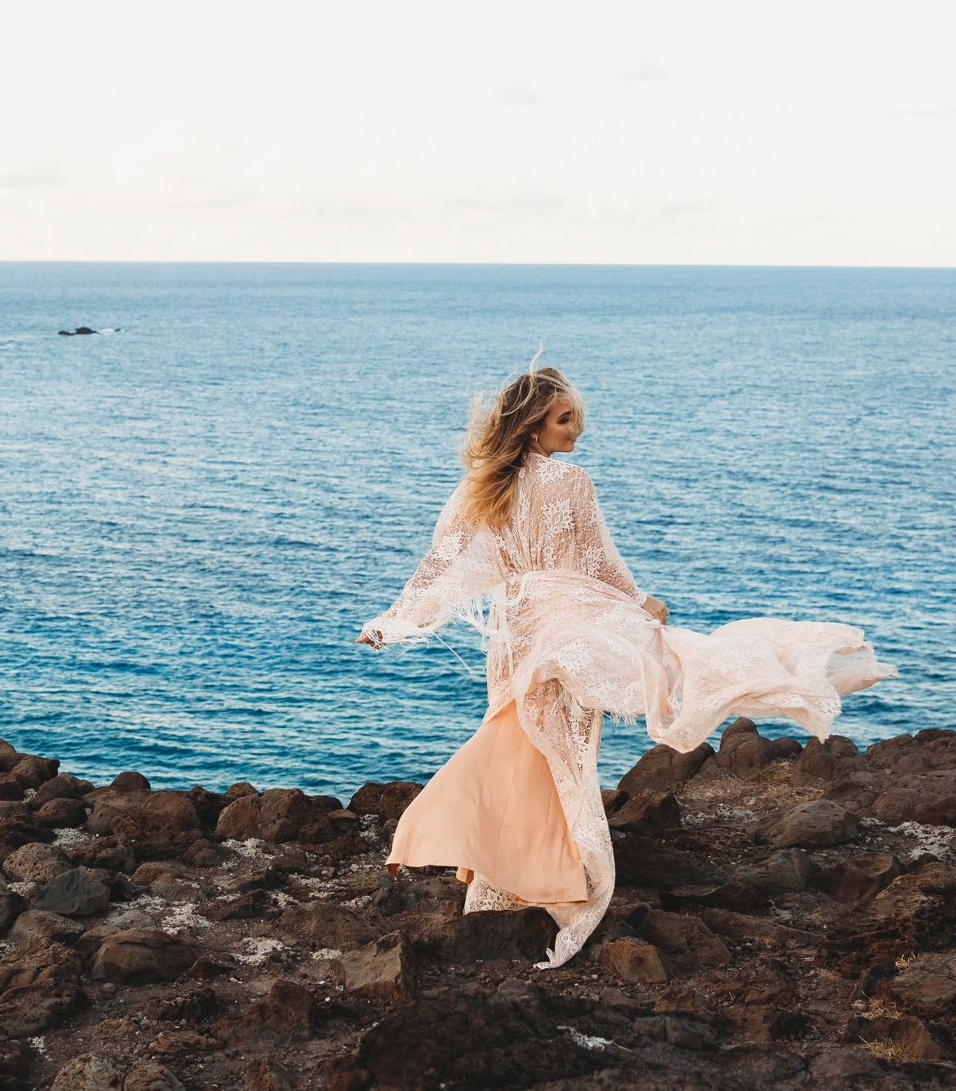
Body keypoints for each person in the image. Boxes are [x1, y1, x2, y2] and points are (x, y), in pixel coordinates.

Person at [359, 366, 894, 968]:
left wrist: (393, 622)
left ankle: (495, 855)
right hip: (563, 622)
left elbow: (440, 567)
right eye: (565, 419)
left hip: (519, 628)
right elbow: (597, 564)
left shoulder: (482, 488)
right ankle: (496, 851)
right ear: (533, 425)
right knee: (551, 747)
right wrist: (641, 604)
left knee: (522, 735)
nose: (577, 431)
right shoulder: (569, 485)